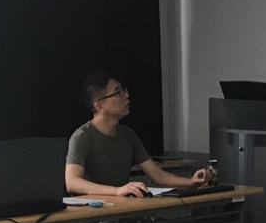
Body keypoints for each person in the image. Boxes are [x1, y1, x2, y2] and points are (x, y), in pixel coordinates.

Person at [65, 72, 210, 198]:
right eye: (118, 92)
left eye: (124, 90)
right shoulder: (82, 137)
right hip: (95, 211)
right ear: (99, 106)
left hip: (123, 208)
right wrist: (117, 191)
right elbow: (72, 183)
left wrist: (191, 182)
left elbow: (158, 176)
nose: (126, 95)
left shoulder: (128, 134)